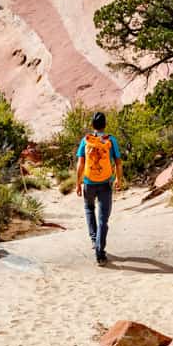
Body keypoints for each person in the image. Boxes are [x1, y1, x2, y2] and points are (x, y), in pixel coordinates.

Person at [74, 111, 123, 264]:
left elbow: (80, 164)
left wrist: (78, 183)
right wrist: (118, 179)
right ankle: (100, 252)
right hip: (105, 183)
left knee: (89, 209)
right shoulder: (111, 140)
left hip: (89, 182)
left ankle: (95, 241)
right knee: (103, 219)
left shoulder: (86, 140)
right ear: (105, 125)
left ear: (92, 126)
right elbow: (118, 163)